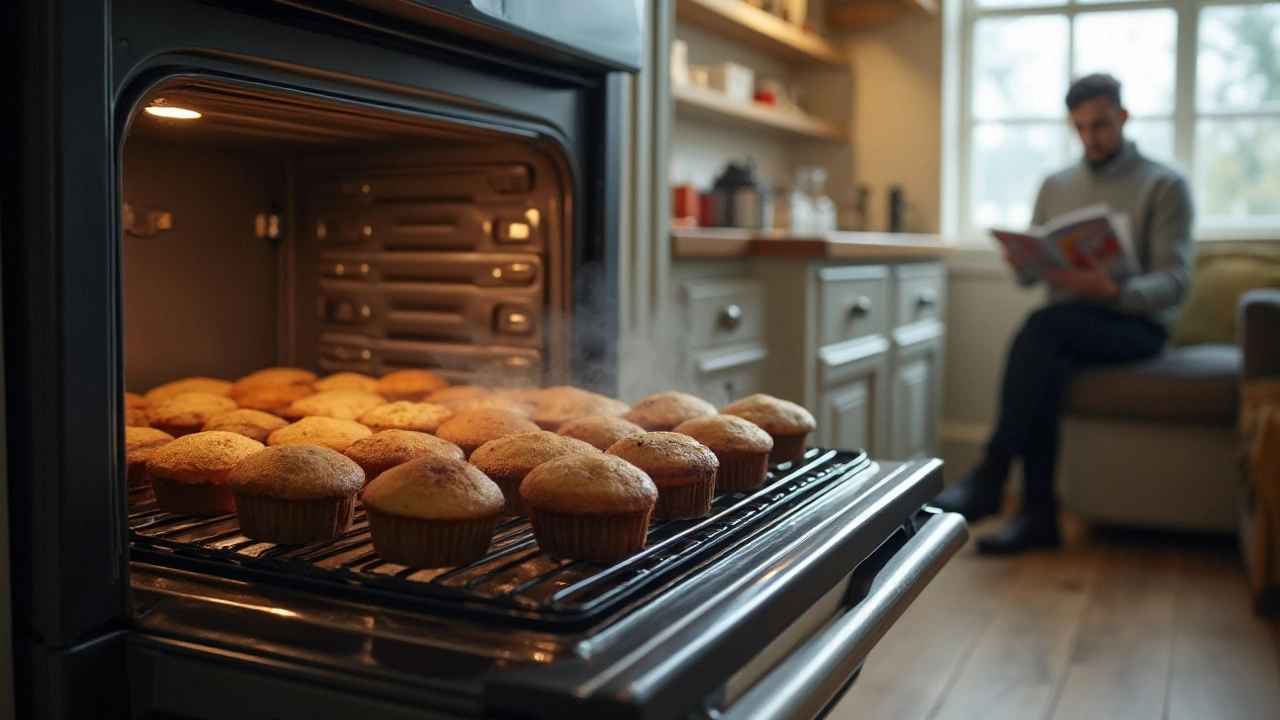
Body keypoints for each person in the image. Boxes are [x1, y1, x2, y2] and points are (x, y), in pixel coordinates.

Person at [934, 73, 1194, 554]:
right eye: (1080, 128)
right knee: (1047, 357)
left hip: (1136, 327)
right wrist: (1024, 262)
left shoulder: (1165, 184)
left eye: (1101, 125)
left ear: (1123, 117)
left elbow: (1176, 282)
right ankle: (1038, 518)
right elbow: (1031, 278)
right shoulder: (1056, 184)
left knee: (1041, 329)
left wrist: (1113, 290)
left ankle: (992, 474)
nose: (1091, 138)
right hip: (1065, 328)